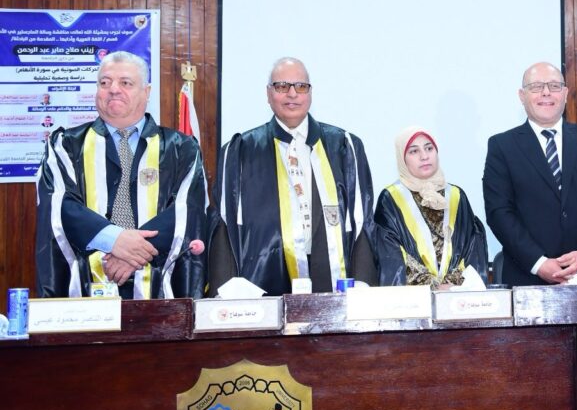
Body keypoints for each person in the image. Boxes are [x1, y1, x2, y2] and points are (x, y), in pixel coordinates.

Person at [35, 51, 207, 298]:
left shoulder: (180, 148)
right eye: (105, 83)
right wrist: (114, 239)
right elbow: (59, 202)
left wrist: (131, 252)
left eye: (125, 83)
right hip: (85, 283)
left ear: (146, 92)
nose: (113, 89)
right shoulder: (66, 145)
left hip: (159, 284)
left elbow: (188, 207)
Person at [209, 57, 375, 295]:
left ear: (310, 93)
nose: (292, 94)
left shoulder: (345, 146)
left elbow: (362, 220)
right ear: (268, 94)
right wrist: (224, 293)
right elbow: (223, 227)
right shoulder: (240, 151)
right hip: (264, 279)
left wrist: (363, 286)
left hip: (332, 278)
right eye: (281, 86)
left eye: (301, 86)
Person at [483, 61, 577, 286]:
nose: (546, 92)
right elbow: (499, 212)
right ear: (522, 96)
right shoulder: (502, 146)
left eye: (554, 86)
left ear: (565, 94)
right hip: (526, 278)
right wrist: (538, 263)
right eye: (536, 86)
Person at [374, 127, 488, 287]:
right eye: (414, 151)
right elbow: (391, 257)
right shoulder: (390, 199)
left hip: (456, 295)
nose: (424, 156)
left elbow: (472, 250)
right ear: (402, 158)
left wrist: (454, 285)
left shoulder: (456, 196)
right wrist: (434, 286)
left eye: (429, 148)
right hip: (414, 297)